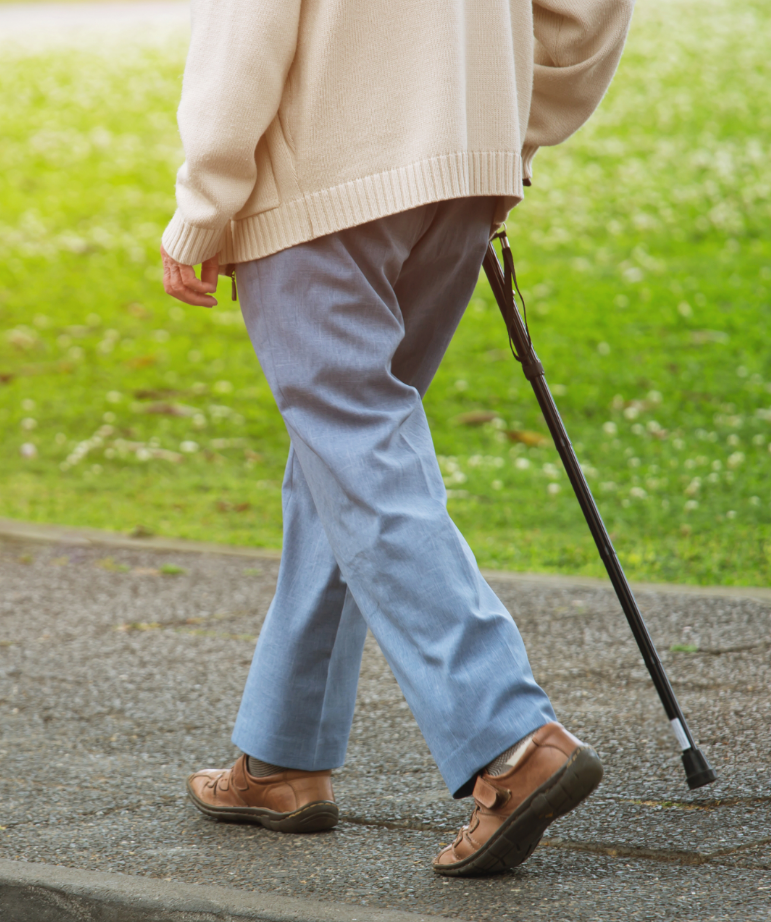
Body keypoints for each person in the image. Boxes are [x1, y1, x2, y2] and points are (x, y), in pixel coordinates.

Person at [159, 0, 634, 875]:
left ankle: (511, 740)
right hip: (460, 175)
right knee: (342, 462)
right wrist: (498, 129)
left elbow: (245, 23)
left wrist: (204, 201)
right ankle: (280, 758)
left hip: (321, 183)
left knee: (357, 455)